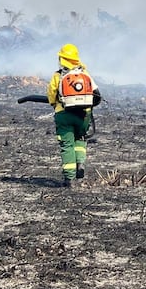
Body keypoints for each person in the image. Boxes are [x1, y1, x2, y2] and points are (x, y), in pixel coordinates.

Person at [47, 43, 99, 187]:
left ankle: (69, 180)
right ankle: (80, 163)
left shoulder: (58, 75)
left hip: (64, 114)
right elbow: (96, 94)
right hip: (83, 115)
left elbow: (51, 94)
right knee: (80, 139)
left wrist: (54, 104)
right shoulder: (85, 74)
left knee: (67, 144)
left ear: (61, 58)